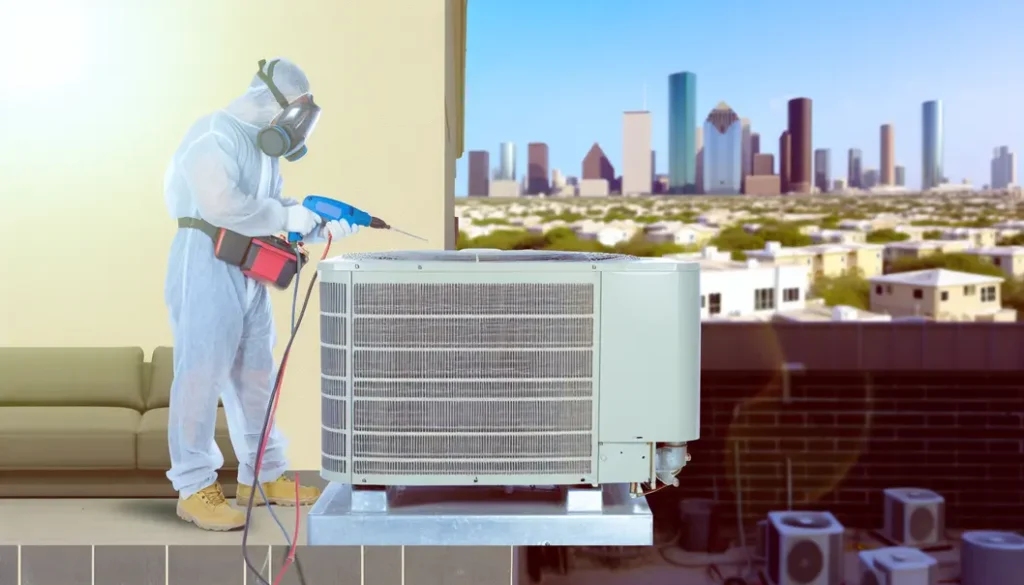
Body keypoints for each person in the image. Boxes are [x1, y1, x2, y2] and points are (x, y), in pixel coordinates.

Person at [162, 58, 357, 531]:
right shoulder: (214, 132)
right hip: (206, 258)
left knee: (256, 375)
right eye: (293, 113)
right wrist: (285, 218)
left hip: (250, 266)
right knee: (202, 372)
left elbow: (271, 210)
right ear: (269, 100)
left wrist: (311, 223)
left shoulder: (263, 152)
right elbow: (222, 205)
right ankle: (194, 488)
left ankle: (262, 475)